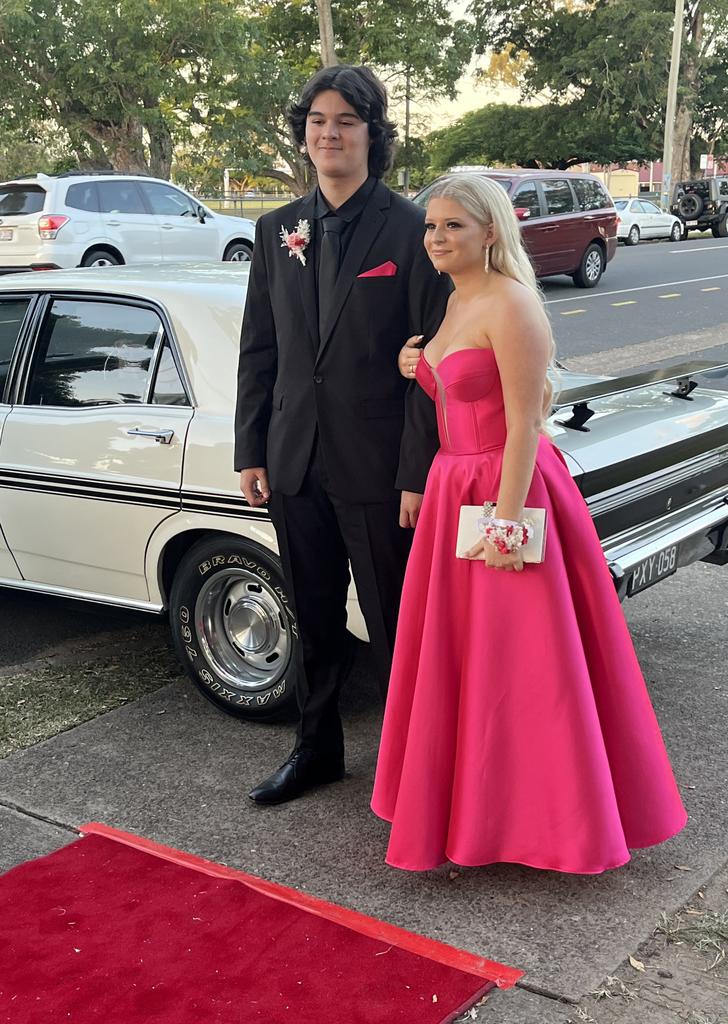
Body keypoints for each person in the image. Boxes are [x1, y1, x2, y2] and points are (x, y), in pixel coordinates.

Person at [370, 174, 687, 873]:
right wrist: (415, 365)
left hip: (504, 490)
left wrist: (508, 524)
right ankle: (469, 807)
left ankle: (547, 822)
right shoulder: (457, 300)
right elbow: (452, 386)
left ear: (490, 232)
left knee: (526, 666)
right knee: (467, 661)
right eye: (431, 226)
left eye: (454, 225)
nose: (438, 238)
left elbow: (522, 425)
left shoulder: (512, 304)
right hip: (456, 485)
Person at [235, 65, 450, 805]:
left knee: (396, 631)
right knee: (315, 618)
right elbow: (259, 348)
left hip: (382, 469)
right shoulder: (275, 230)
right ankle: (316, 750)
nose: (330, 133)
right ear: (304, 136)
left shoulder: (412, 228)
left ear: (372, 135)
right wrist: (251, 450)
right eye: (318, 121)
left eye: (346, 121)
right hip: (294, 464)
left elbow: (436, 363)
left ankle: (412, 776)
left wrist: (417, 472)